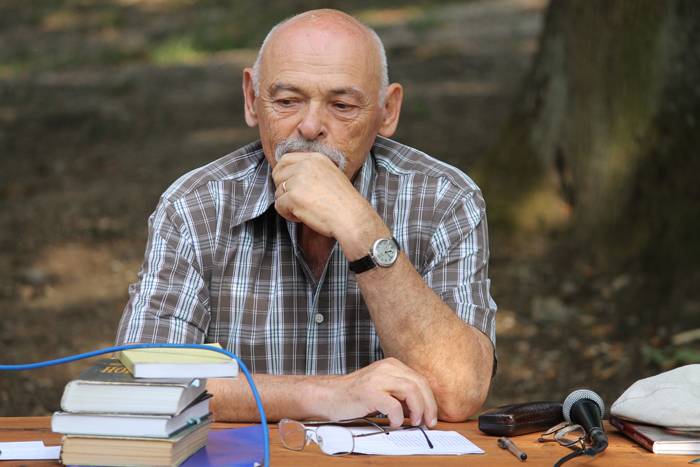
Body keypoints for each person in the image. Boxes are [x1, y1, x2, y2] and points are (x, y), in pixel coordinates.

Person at [116, 9, 496, 428]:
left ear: (387, 111)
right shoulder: (194, 207)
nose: (311, 126)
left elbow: (458, 392)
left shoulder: (444, 200)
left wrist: (360, 227)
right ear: (251, 99)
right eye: (287, 102)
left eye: (342, 105)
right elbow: (145, 383)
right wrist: (326, 395)